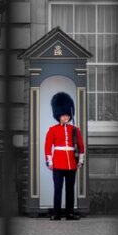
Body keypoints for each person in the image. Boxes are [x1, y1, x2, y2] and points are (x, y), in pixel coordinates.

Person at [44, 91, 85, 221]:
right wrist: (49, 162)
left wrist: (80, 160)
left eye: (67, 114)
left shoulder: (75, 130)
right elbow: (47, 146)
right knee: (58, 189)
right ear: (58, 115)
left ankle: (70, 213)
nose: (66, 117)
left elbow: (81, 145)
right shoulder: (53, 129)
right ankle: (56, 213)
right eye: (63, 115)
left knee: (70, 190)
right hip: (58, 163)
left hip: (71, 163)